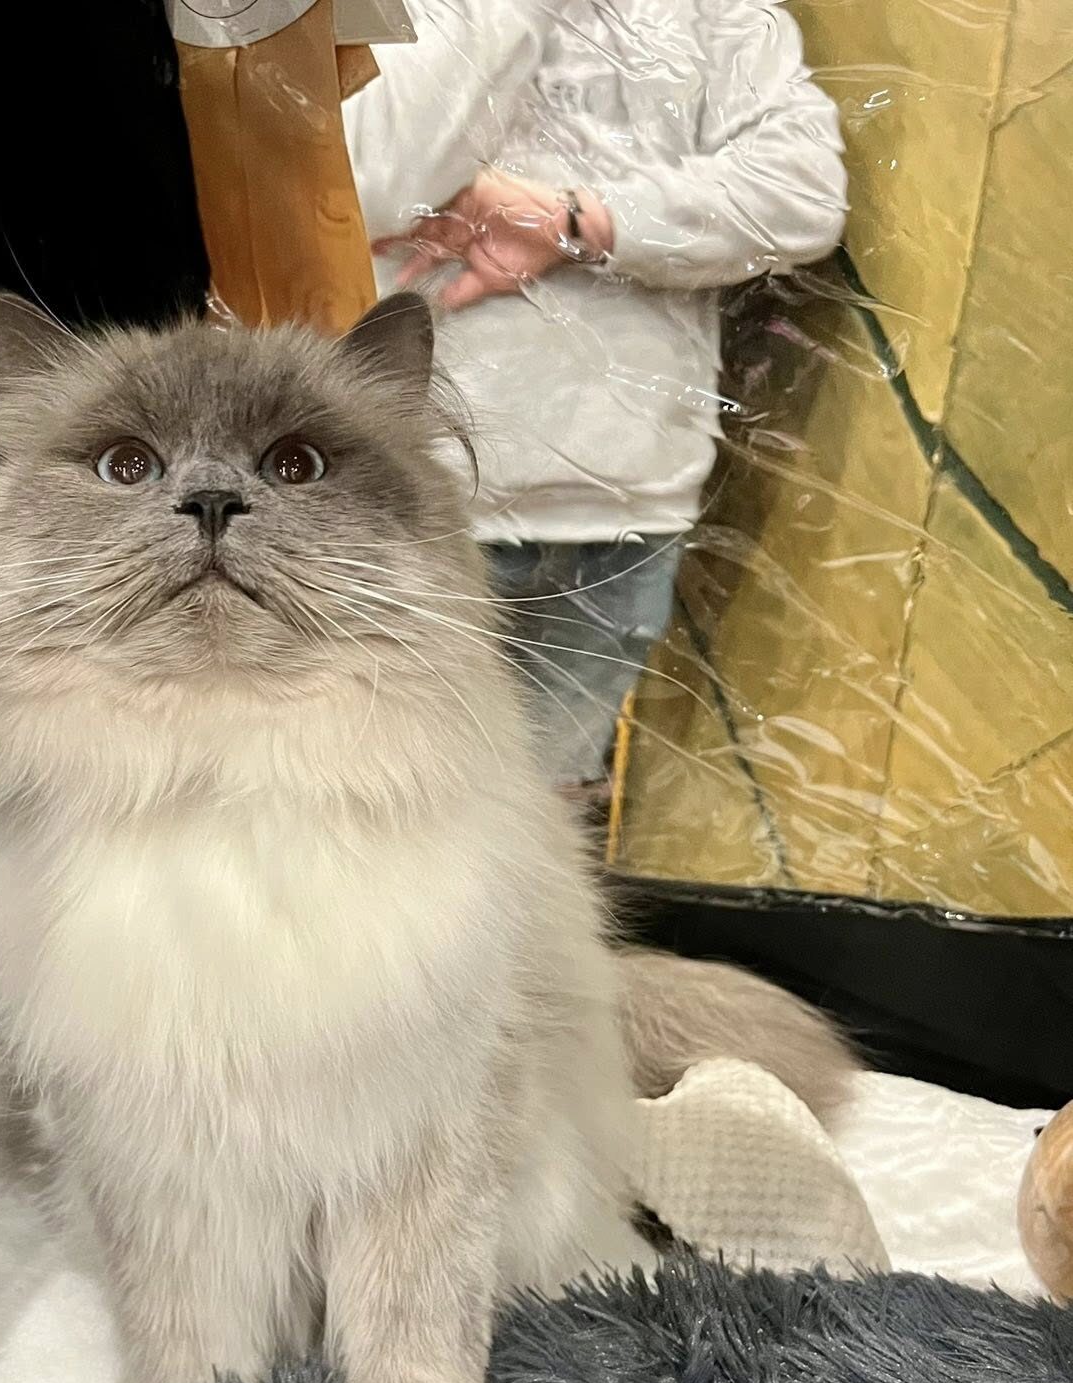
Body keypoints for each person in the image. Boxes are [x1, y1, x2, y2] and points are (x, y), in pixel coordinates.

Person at [343, 0, 847, 791]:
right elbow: (369, 175)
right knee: (362, 806)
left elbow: (805, 194)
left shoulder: (712, 12)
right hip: (412, 503)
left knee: (538, 820)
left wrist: (579, 221)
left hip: (624, 509)